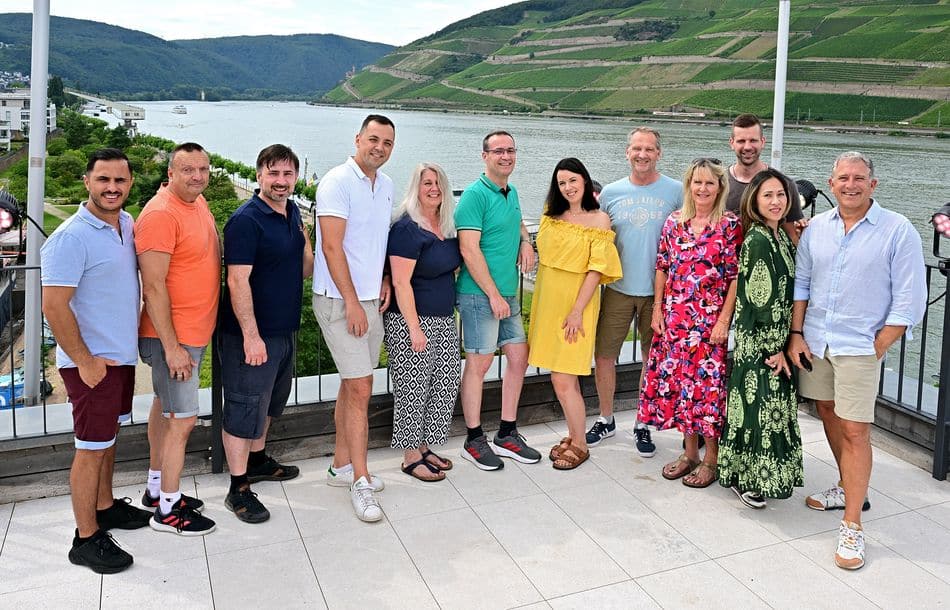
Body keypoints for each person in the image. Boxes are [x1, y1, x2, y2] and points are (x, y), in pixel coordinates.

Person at [787, 151, 926, 570]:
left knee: (856, 430)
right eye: (843, 178)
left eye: (859, 178)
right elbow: (804, 282)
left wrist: (880, 343)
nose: (851, 184)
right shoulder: (816, 231)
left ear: (873, 184)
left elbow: (910, 296)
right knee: (828, 413)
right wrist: (796, 334)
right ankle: (850, 487)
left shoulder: (898, 230)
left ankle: (852, 525)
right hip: (817, 342)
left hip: (860, 346)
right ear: (831, 185)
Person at [41, 148, 153, 573]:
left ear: (129, 184)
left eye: (120, 181)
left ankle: (105, 507)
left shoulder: (126, 224)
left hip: (118, 358)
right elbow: (54, 306)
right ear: (87, 181)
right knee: (90, 448)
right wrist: (84, 360)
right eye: (103, 179)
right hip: (91, 363)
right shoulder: (71, 237)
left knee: (107, 440)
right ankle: (85, 538)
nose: (112, 188)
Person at [220, 144, 314, 523]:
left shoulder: (292, 213)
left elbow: (304, 271)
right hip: (252, 335)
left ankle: (257, 461)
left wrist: (309, 241)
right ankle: (237, 488)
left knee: (269, 405)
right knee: (243, 409)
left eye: (287, 174)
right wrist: (251, 336)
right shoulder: (246, 220)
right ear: (259, 175)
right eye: (273, 173)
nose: (281, 181)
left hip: (284, 329)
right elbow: (236, 280)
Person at [638, 158, 743, 488]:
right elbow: (662, 267)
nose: (703, 189)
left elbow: (734, 277)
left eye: (710, 183)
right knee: (683, 387)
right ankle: (690, 453)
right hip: (675, 319)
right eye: (697, 182)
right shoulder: (674, 222)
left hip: (709, 324)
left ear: (720, 187)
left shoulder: (729, 225)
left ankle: (711, 460)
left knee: (708, 392)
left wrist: (724, 320)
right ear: (689, 186)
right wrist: (657, 311)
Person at [312, 115, 394, 521]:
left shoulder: (387, 185)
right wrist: (351, 300)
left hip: (368, 298)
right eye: (373, 139)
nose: (379, 147)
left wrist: (381, 280)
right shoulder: (337, 182)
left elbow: (373, 242)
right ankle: (360, 480)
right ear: (358, 139)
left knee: (351, 384)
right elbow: (331, 247)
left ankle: (340, 466)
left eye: (387, 143)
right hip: (340, 302)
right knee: (362, 387)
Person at [136, 142, 217, 536]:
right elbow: (152, 287)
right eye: (188, 170)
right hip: (174, 340)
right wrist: (172, 348)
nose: (198, 176)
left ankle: (155, 489)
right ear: (171, 173)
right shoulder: (160, 214)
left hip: (189, 336)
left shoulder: (195, 203)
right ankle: (168, 510)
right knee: (182, 423)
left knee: (163, 410)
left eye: (203, 168)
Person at [589, 127, 683, 457]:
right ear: (627, 152)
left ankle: (643, 422)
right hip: (617, 287)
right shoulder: (611, 193)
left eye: (649, 149)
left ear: (659, 153)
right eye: (636, 148)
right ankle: (605, 417)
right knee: (604, 355)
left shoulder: (676, 191)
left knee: (651, 359)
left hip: (660, 292)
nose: (642, 154)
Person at [455, 130, 541, 471]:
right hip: (480, 295)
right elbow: (468, 249)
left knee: (519, 358)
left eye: (511, 150)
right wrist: (492, 295)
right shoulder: (474, 195)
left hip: (506, 293)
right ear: (484, 155)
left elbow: (517, 221)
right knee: (479, 364)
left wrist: (525, 241)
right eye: (498, 151)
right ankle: (473, 439)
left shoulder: (511, 191)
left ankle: (506, 433)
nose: (506, 156)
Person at [717, 169, 803, 509]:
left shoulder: (780, 236)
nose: (775, 201)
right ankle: (745, 477)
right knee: (758, 412)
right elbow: (759, 297)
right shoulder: (757, 239)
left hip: (778, 340)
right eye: (767, 195)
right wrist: (774, 350)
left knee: (768, 411)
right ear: (754, 199)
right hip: (762, 345)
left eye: (781, 195)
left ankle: (755, 473)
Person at [528, 158, 621, 470]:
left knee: (564, 377)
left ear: (584, 181)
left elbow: (596, 270)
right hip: (548, 300)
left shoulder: (599, 220)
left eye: (572, 180)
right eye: (561, 182)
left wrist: (578, 311)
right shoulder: (550, 214)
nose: (567, 187)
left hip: (575, 305)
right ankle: (573, 433)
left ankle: (580, 444)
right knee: (558, 376)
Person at [386, 163, 461, 482]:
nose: (434, 188)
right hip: (411, 321)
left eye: (438, 183)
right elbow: (401, 283)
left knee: (444, 383)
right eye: (426, 183)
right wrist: (414, 327)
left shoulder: (445, 225)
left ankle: (425, 446)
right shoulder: (407, 227)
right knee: (413, 387)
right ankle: (409, 455)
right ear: (415, 188)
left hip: (445, 318)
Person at [725, 114, 804, 243]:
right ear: (732, 143)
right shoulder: (718, 184)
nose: (747, 147)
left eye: (753, 140)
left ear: (762, 142)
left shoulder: (785, 185)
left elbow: (792, 236)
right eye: (741, 141)